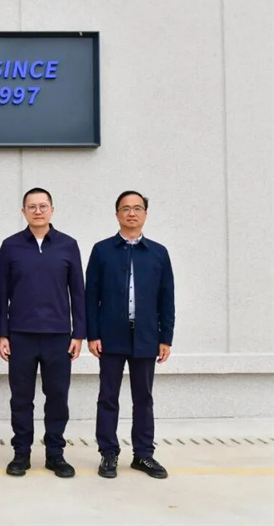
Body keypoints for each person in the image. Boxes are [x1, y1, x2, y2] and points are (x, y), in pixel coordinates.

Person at [0, 187, 86, 478]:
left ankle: (55, 454)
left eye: (43, 206)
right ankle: (21, 453)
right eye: (32, 206)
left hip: (58, 336)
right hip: (20, 335)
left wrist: (78, 333)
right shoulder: (10, 246)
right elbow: (0, 293)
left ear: (52, 210)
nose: (37, 211)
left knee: (57, 396)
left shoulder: (68, 245)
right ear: (23, 211)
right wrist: (2, 333)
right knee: (21, 398)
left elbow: (78, 292)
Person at [86, 190, 174, 479]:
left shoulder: (158, 253)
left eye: (137, 208)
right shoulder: (102, 250)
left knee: (144, 397)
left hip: (147, 337)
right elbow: (91, 296)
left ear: (145, 214)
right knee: (108, 396)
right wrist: (92, 334)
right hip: (111, 336)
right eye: (125, 208)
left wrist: (166, 337)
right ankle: (108, 452)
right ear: (117, 214)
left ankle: (143, 454)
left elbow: (167, 298)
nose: (131, 213)